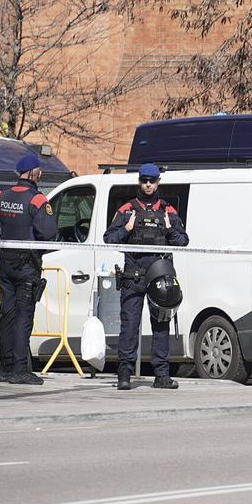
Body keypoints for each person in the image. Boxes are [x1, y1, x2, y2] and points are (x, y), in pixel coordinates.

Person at [0, 153, 57, 385]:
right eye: (39, 171)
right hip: (27, 266)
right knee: (23, 317)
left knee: (6, 316)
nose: (41, 174)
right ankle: (20, 369)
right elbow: (49, 233)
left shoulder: (2, 196)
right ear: (32, 173)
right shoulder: (38, 200)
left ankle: (5, 368)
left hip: (5, 265)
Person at [103, 163, 189, 390]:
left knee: (161, 327)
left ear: (158, 182)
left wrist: (170, 230)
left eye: (152, 181)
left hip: (159, 278)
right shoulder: (127, 209)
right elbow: (109, 238)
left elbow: (183, 241)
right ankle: (124, 375)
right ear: (139, 182)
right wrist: (127, 229)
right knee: (129, 326)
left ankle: (162, 375)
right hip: (133, 277)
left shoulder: (167, 210)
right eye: (144, 181)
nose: (148, 185)